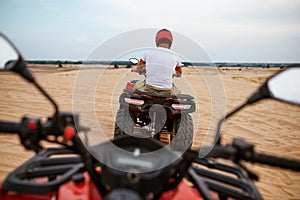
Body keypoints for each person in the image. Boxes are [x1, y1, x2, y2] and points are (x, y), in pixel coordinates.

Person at [131, 28, 183, 94]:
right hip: (167, 89)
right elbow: (179, 74)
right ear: (170, 42)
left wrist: (133, 69)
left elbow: (138, 68)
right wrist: (172, 71)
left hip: (149, 87)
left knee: (135, 85)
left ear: (157, 40)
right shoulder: (175, 56)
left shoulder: (148, 53)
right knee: (179, 93)